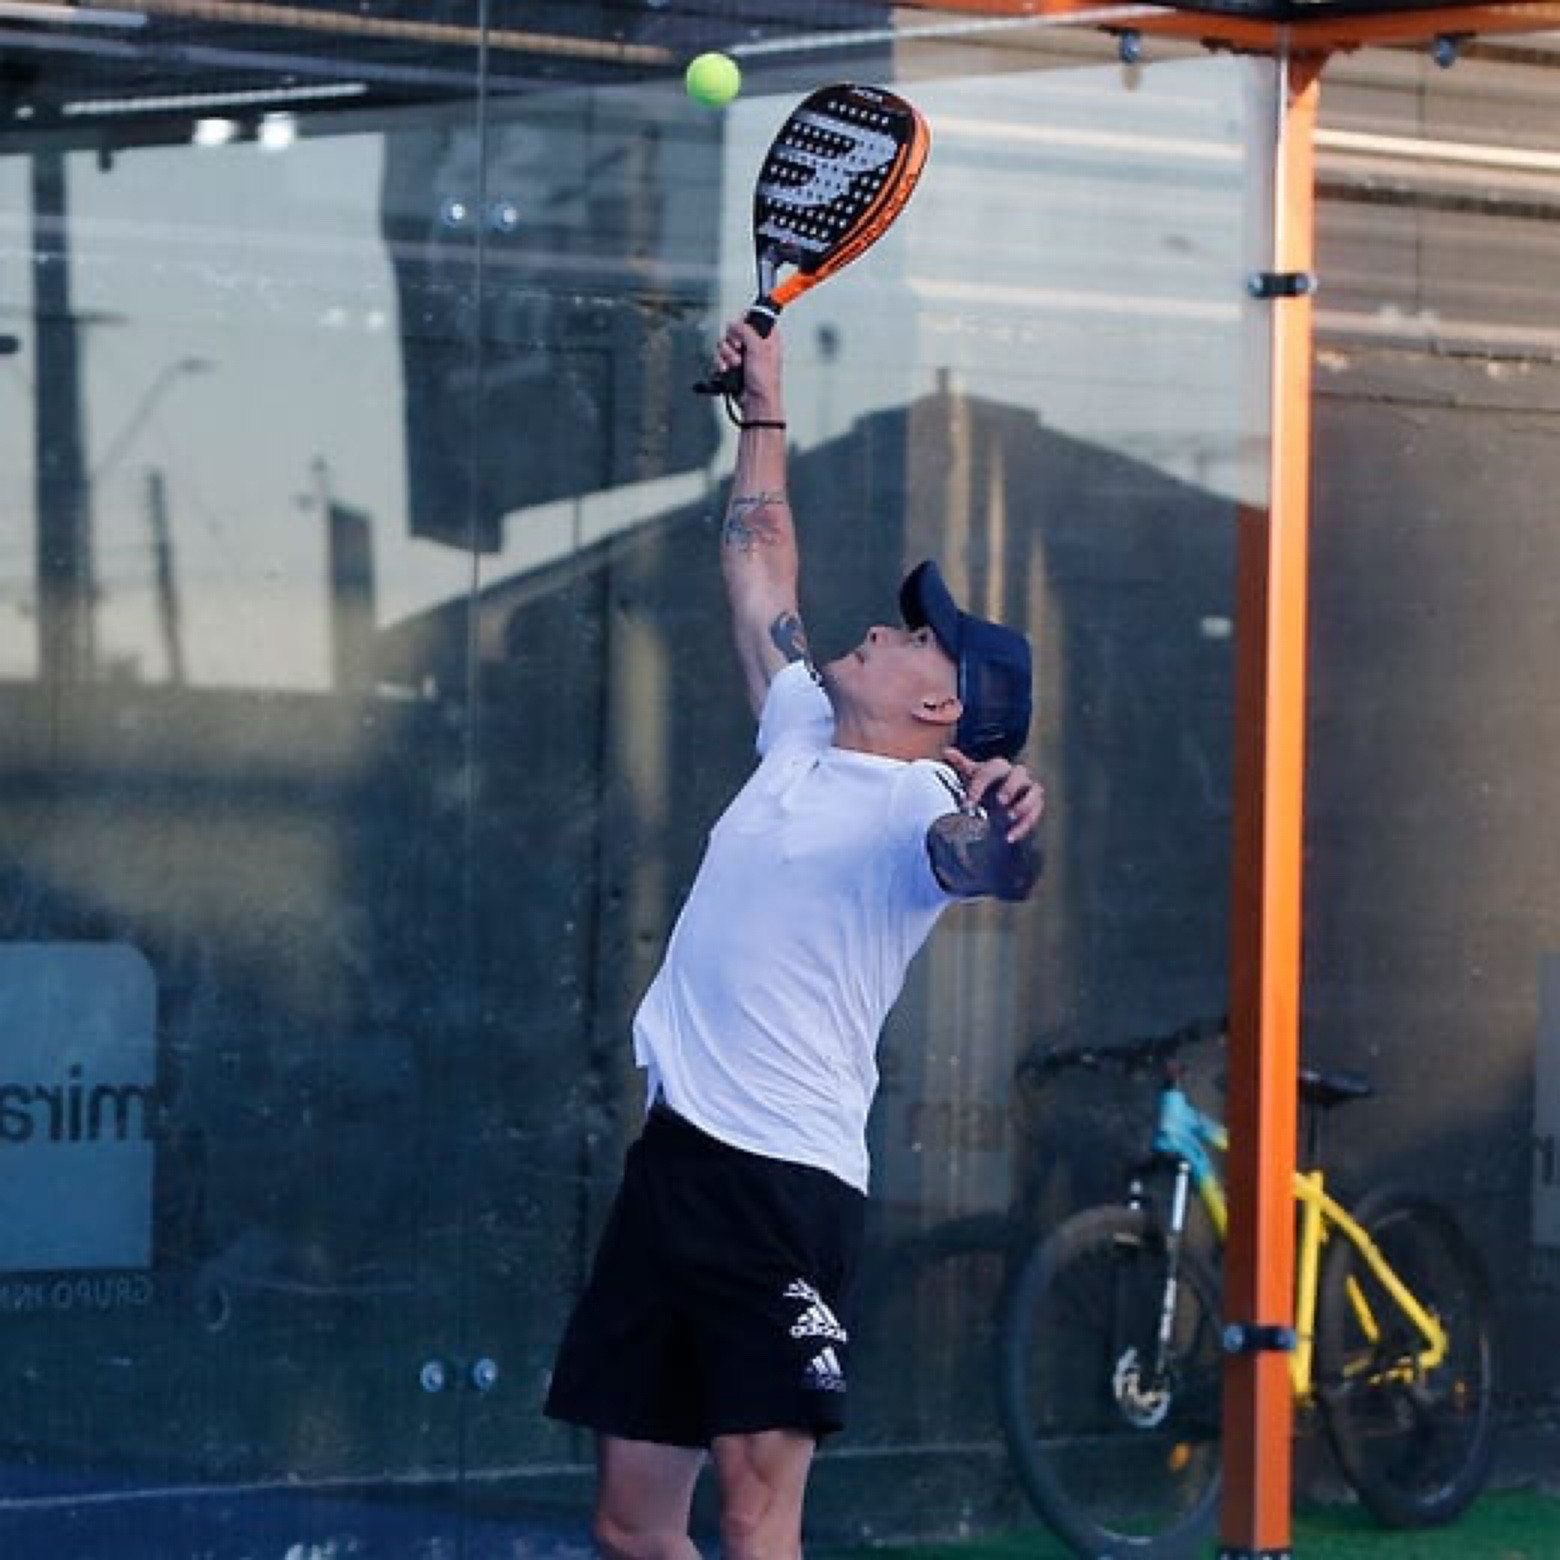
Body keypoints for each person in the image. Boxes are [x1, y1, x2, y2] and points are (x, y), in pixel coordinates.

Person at [544, 317, 1045, 1560]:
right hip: (674, 1165)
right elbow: (760, 561)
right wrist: (762, 407)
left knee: (758, 1515)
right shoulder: (799, 728)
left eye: (916, 639)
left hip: (782, 1186)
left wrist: (1006, 821)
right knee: (629, 1526)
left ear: (942, 704)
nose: (884, 628)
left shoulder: (923, 804)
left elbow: (987, 864)